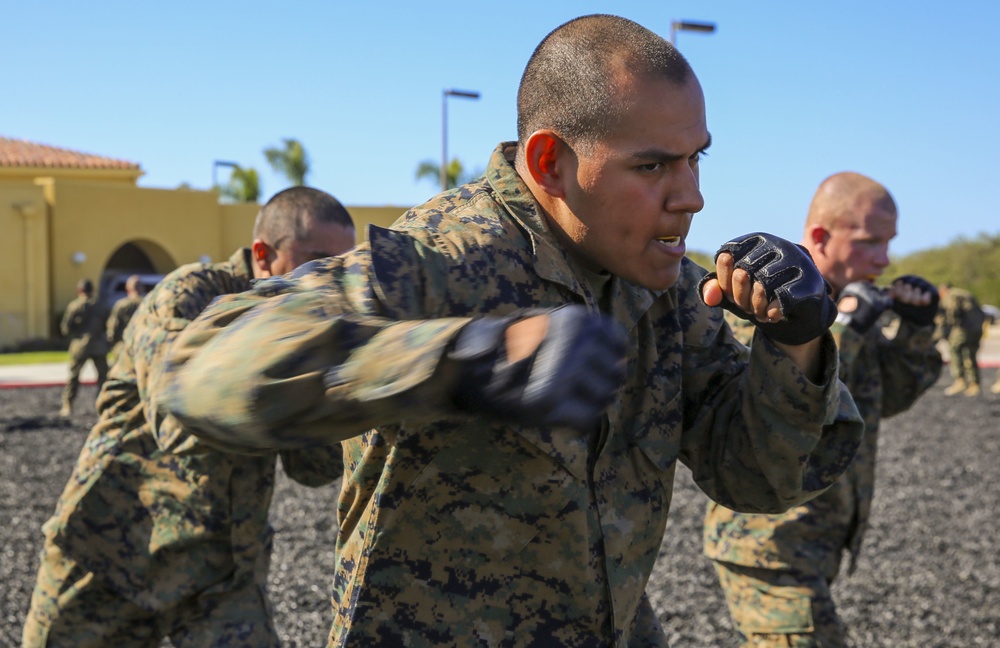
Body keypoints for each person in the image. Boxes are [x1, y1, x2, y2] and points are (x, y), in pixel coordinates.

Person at [157, 15, 864, 646]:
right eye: (651, 166)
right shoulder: (443, 259)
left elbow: (757, 478)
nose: (691, 197)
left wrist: (793, 343)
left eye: (695, 158)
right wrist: (462, 362)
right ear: (549, 164)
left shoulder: (667, 293)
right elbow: (200, 371)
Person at [23, 186, 357, 647]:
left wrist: (343, 386)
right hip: (111, 553)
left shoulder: (306, 326)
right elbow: (179, 417)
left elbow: (311, 468)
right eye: (318, 262)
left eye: (343, 267)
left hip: (221, 574)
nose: (331, 280)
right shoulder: (190, 296)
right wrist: (291, 372)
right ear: (263, 254)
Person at [704, 171, 943, 647]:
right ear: (820, 237)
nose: (885, 258)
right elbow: (781, 393)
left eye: (889, 243)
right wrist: (847, 327)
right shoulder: (769, 300)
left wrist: (915, 331)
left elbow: (881, 399)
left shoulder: (852, 301)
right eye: (870, 242)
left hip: (813, 540)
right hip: (767, 542)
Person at [59, 278, 109, 417]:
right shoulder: (101, 305)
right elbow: (107, 325)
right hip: (99, 346)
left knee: (74, 377)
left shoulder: (75, 306)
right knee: (103, 378)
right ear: (92, 290)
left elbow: (65, 329)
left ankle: (68, 405)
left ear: (80, 290)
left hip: (80, 347)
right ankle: (103, 405)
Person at [938, 282, 985, 396]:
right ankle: (974, 385)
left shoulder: (952, 295)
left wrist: (946, 329)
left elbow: (952, 312)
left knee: (954, 350)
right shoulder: (964, 293)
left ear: (943, 290)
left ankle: (960, 381)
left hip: (964, 327)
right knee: (970, 354)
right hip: (977, 327)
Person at [106, 274, 146, 349]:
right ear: (142, 288)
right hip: (144, 347)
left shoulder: (121, 305)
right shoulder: (147, 303)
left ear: (127, 288)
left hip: (125, 346)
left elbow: (113, 328)